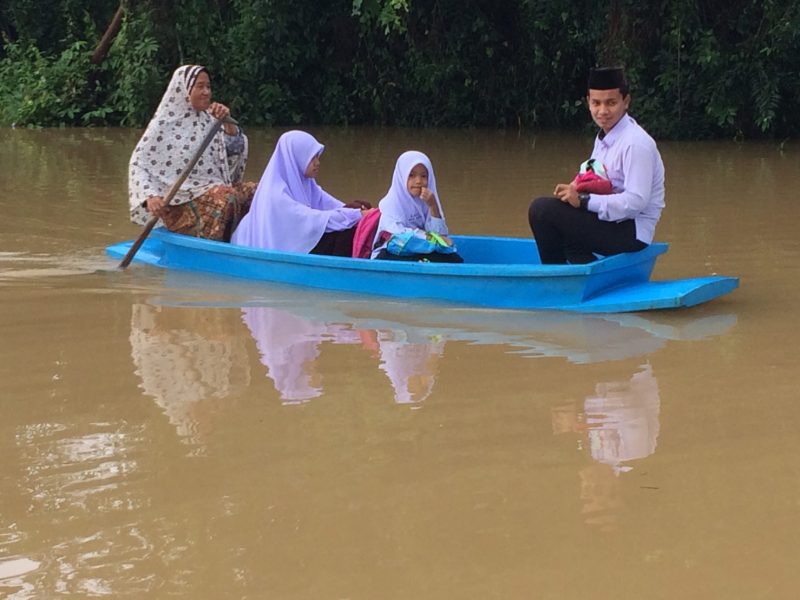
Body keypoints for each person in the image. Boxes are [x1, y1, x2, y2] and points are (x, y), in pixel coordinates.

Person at [528, 66, 665, 264]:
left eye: (611, 103)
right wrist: (574, 191)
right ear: (588, 103)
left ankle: (556, 278)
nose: (602, 111)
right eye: (596, 103)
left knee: (541, 210)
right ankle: (581, 269)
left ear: (625, 102)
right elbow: (596, 177)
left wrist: (583, 200)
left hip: (632, 231)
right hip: (612, 221)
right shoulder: (604, 137)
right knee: (558, 213)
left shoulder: (636, 144)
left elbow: (636, 202)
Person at [128, 64, 256, 241]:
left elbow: (232, 157)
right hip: (180, 204)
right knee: (227, 197)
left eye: (208, 87)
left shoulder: (212, 120)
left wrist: (229, 126)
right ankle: (217, 245)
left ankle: (251, 240)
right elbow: (138, 163)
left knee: (257, 191)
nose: (206, 92)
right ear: (184, 90)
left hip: (214, 190)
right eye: (200, 86)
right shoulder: (163, 126)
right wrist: (151, 196)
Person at [231, 130, 371, 256]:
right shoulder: (276, 195)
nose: (317, 163)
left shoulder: (307, 184)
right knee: (344, 229)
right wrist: (355, 215)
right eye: (312, 158)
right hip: (271, 246)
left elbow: (332, 205)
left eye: (317, 157)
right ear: (296, 159)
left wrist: (363, 213)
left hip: (292, 239)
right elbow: (308, 218)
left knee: (358, 207)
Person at [371, 151, 463, 263]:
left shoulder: (428, 200)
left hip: (422, 248)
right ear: (402, 177)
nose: (418, 181)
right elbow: (398, 237)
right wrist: (428, 237)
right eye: (411, 175)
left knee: (454, 259)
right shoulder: (391, 203)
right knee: (421, 261)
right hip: (392, 251)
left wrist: (433, 206)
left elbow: (440, 236)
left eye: (423, 176)